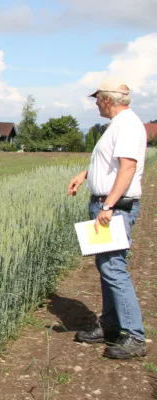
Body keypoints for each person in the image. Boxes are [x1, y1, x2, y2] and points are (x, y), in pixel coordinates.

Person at [68, 76, 148, 359]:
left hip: (114, 208)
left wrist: (108, 205)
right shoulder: (119, 125)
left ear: (108, 100)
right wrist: (86, 175)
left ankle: (134, 336)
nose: (96, 104)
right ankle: (111, 326)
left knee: (114, 269)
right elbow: (110, 164)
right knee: (106, 268)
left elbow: (127, 168)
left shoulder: (126, 125)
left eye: (97, 99)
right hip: (107, 204)